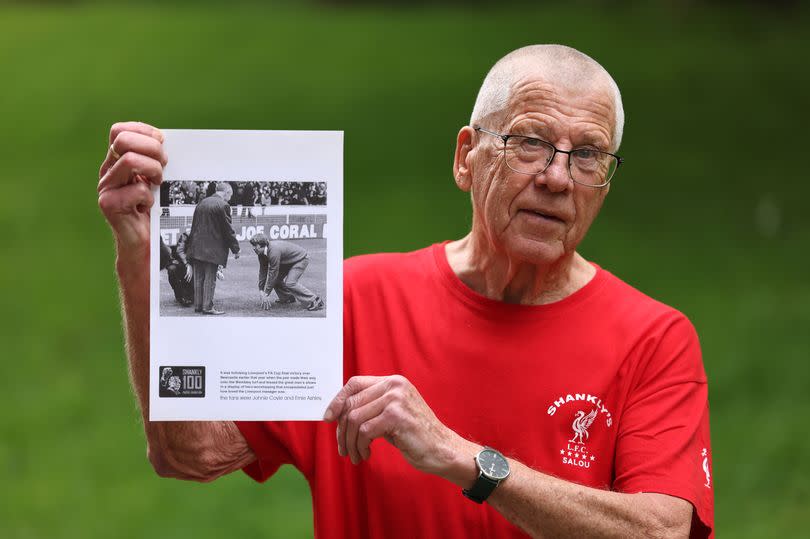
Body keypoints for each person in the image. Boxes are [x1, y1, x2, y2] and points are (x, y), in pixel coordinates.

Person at [97, 44, 713, 538]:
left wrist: (465, 459)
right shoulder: (353, 302)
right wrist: (139, 252)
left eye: (587, 156)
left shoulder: (653, 338)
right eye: (530, 143)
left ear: (604, 184)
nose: (557, 178)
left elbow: (663, 531)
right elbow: (190, 451)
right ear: (466, 158)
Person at [186, 182, 240, 315]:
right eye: (230, 195)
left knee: (198, 278)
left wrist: (190, 248)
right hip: (212, 249)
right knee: (210, 279)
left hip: (197, 247)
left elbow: (194, 227)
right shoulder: (223, 205)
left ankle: (198, 305)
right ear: (226, 192)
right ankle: (208, 307)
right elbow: (228, 230)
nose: (230, 198)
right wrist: (236, 249)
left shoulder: (201, 203)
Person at [248, 233, 324, 312]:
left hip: (300, 259)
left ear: (262, 245)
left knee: (290, 283)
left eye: (255, 246)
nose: (253, 248)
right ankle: (287, 298)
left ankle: (315, 300)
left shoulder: (274, 251)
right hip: (288, 261)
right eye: (252, 246)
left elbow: (273, 273)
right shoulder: (260, 254)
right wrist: (261, 290)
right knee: (276, 280)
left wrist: (266, 293)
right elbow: (263, 271)